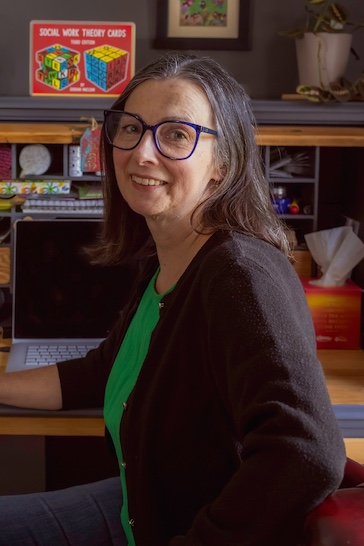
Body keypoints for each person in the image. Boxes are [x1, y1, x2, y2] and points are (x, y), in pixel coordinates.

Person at [0, 52, 346, 546]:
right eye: (131, 129)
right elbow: (103, 372)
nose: (142, 153)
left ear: (222, 164)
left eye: (176, 134)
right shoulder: (165, 256)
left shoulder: (239, 274)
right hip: (143, 506)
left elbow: (306, 453)